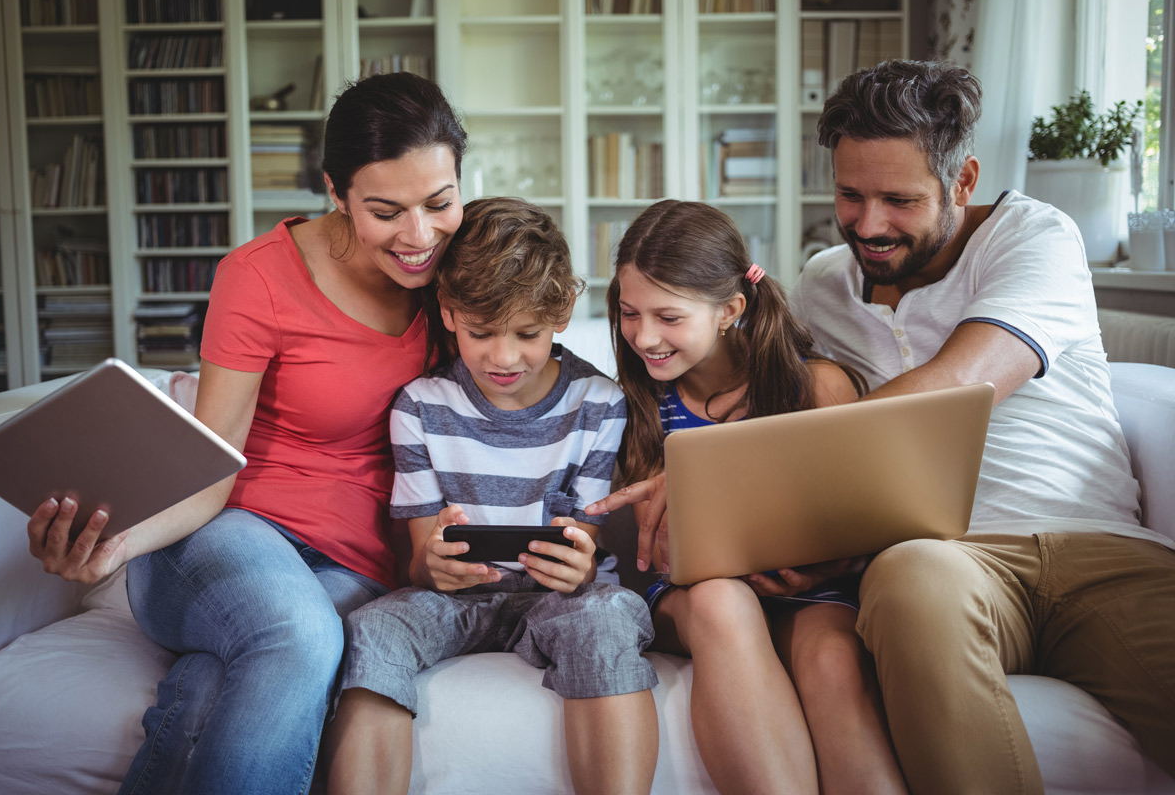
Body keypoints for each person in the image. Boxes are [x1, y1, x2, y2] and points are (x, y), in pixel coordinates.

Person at [22, 72, 467, 795]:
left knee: (211, 684)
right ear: (335, 191)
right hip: (223, 533)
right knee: (300, 636)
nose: (419, 237)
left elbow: (531, 354)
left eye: (439, 203)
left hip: (356, 565)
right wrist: (115, 549)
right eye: (386, 211)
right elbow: (210, 467)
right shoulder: (257, 278)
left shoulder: (457, 271)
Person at [787, 59, 1175, 793]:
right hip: (947, 560)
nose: (868, 225)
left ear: (962, 182)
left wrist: (787, 471)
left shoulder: (1035, 237)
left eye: (899, 200)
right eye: (849, 194)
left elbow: (961, 386)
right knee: (907, 575)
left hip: (1100, 547)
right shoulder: (819, 287)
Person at [319, 196, 659, 795]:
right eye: (481, 332)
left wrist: (580, 559)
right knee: (374, 627)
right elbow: (421, 563)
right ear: (448, 312)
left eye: (527, 334)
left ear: (562, 311)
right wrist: (433, 565)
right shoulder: (420, 407)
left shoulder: (599, 403)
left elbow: (587, 534)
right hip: (460, 602)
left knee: (607, 615)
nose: (503, 357)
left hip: (563, 600)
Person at [588, 199, 907, 795]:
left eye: (668, 317)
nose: (644, 337)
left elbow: (864, 518)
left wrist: (823, 566)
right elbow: (652, 548)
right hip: (692, 596)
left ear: (731, 309)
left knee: (834, 663)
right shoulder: (635, 407)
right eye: (629, 314)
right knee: (719, 601)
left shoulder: (816, 385)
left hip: (810, 591)